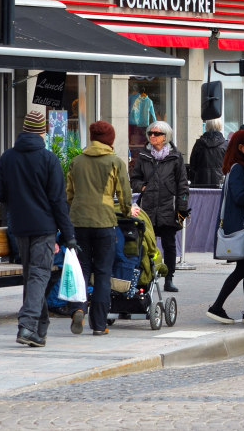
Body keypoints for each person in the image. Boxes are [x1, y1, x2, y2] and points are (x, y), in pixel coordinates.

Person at [0, 110, 77, 347]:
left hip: (19, 227)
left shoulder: (8, 157)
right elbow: (58, 201)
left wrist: (17, 198)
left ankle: (40, 330)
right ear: (43, 131)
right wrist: (69, 235)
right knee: (39, 274)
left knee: (33, 276)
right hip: (44, 227)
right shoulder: (48, 159)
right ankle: (27, 325)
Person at [66, 120, 134, 336]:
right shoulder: (115, 162)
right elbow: (124, 194)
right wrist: (125, 212)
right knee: (103, 273)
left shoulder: (77, 161)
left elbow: (69, 193)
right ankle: (99, 324)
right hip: (105, 222)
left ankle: (78, 308)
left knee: (82, 270)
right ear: (110, 140)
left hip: (79, 222)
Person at [207, 130, 244, 324]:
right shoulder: (237, 168)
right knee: (243, 270)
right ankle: (216, 306)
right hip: (242, 228)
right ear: (241, 148)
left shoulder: (243, 167)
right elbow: (240, 197)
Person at [130, 120, 189, 293]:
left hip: (168, 208)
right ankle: (146, 278)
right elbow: (134, 179)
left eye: (157, 134)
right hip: (148, 209)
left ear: (166, 137)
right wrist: (142, 187)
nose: (152, 137)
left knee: (169, 244)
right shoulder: (143, 156)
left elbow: (183, 186)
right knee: (147, 245)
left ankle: (169, 278)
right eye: (150, 134)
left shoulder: (176, 157)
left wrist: (182, 210)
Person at [188, 118, 227, 188]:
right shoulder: (225, 144)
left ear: (207, 126)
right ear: (220, 126)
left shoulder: (199, 143)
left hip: (201, 182)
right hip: (220, 182)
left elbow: (193, 165)